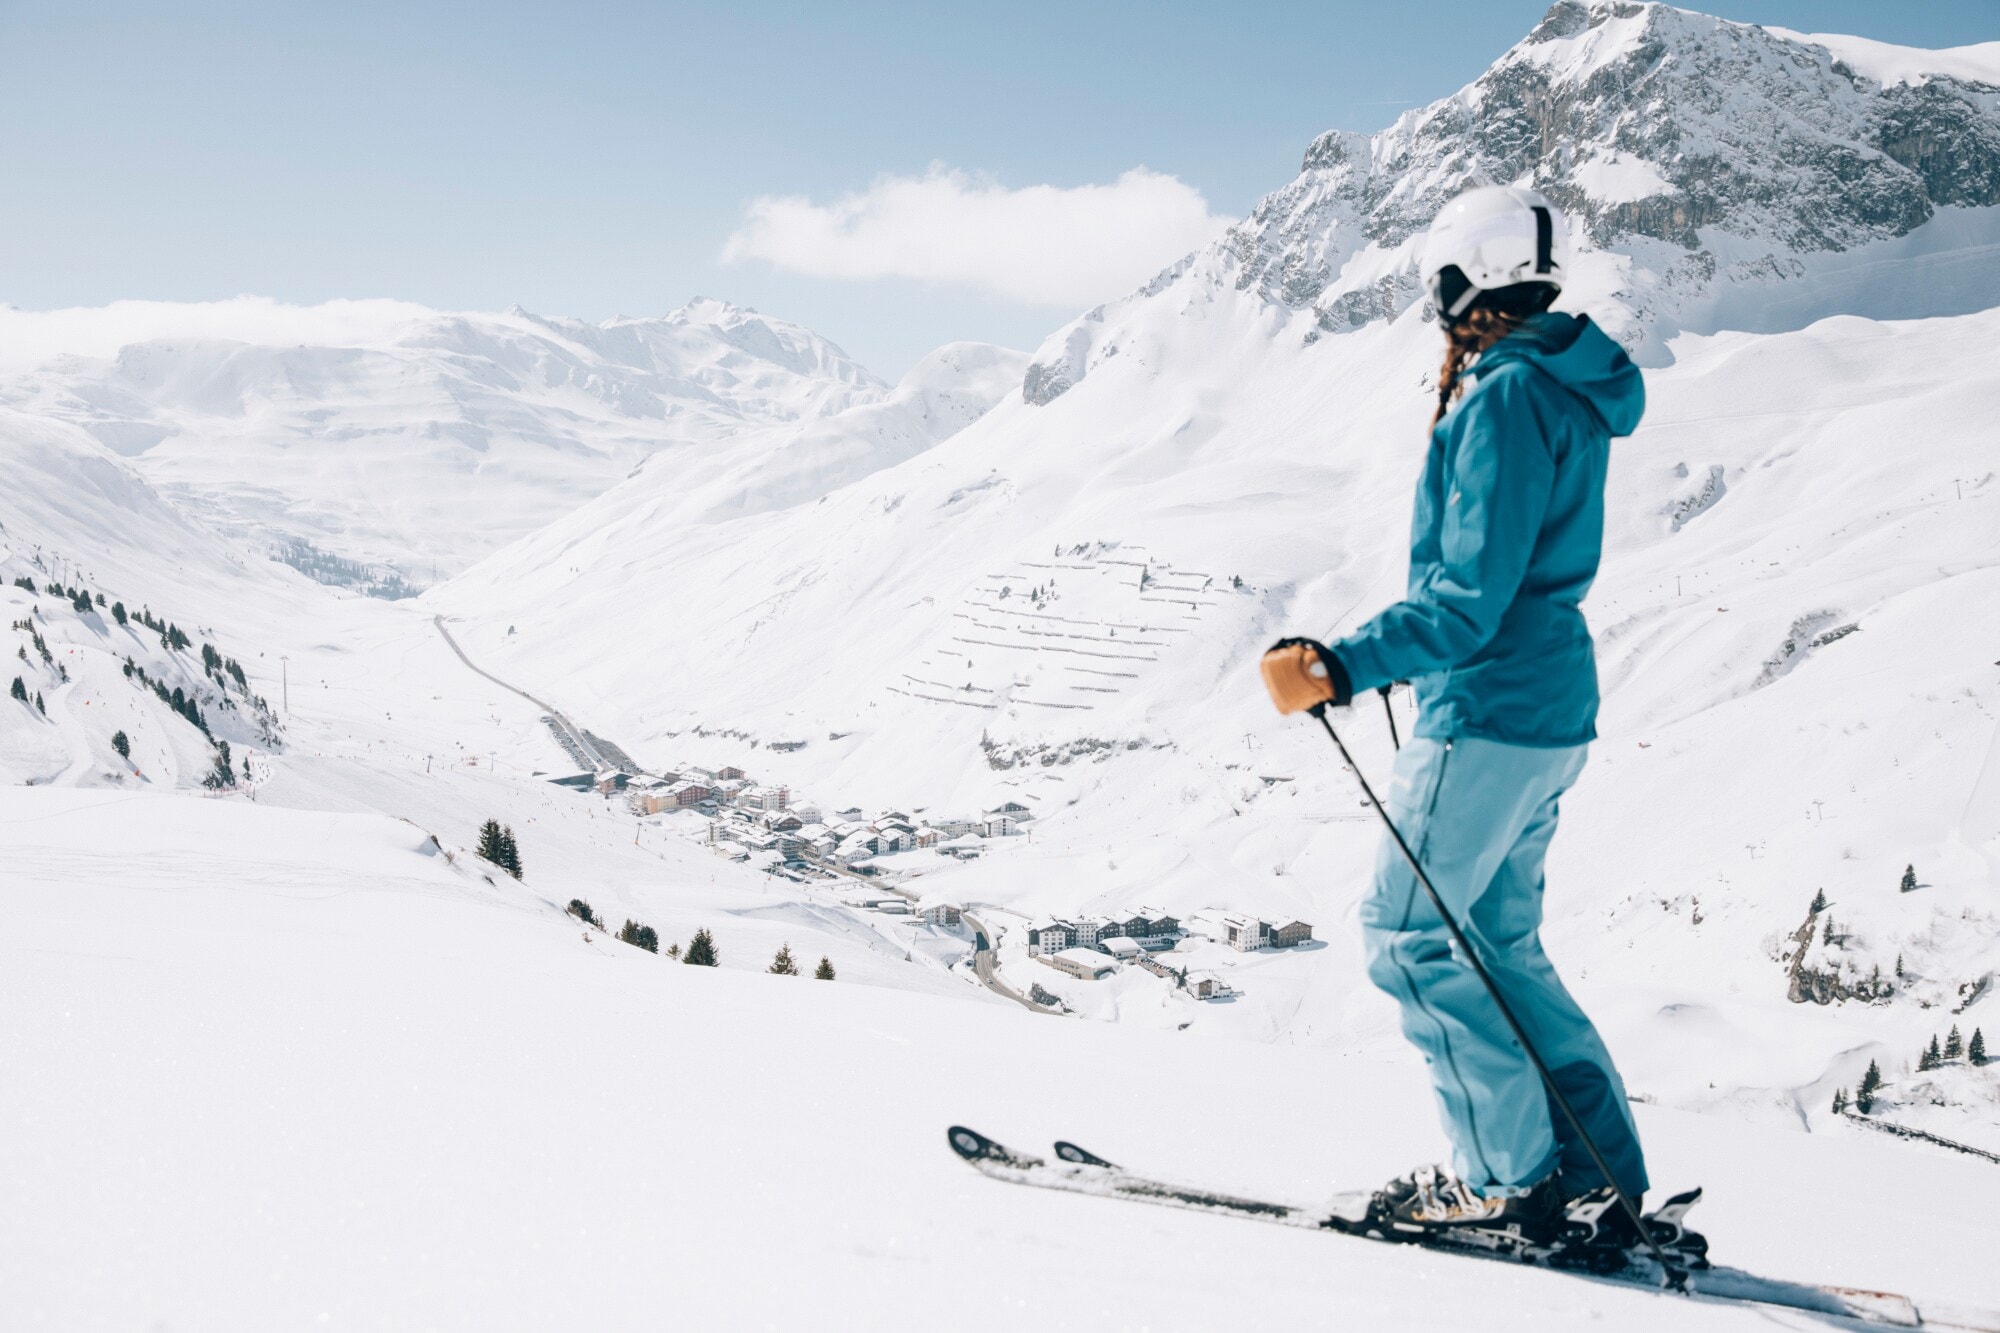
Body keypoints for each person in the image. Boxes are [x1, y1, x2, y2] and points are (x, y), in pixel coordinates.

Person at [1259, 185, 1649, 1243]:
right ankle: (1594, 1177)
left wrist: (1342, 664)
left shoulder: (1505, 396)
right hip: (1545, 706)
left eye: (1438, 281)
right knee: (1496, 943)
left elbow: (1467, 599)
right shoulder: (1561, 382)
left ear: (1467, 277)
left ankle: (1504, 1181)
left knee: (1407, 937)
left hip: (1486, 708)